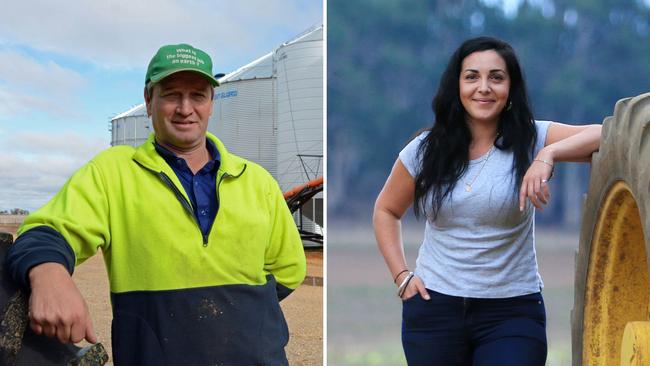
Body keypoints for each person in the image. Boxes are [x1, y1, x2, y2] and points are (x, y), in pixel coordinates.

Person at [6, 43, 306, 365]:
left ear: (211, 103)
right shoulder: (114, 173)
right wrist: (49, 274)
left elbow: (289, 269)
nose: (185, 108)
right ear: (149, 100)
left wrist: (244, 315)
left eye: (198, 96)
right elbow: (46, 230)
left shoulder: (257, 181)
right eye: (172, 94)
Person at [373, 36, 601, 365]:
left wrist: (548, 154)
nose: (484, 87)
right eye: (472, 77)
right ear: (457, 86)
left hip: (512, 312)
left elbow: (606, 132)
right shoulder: (425, 150)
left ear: (511, 88)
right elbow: (385, 210)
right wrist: (402, 276)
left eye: (496, 77)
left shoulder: (533, 137)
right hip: (434, 311)